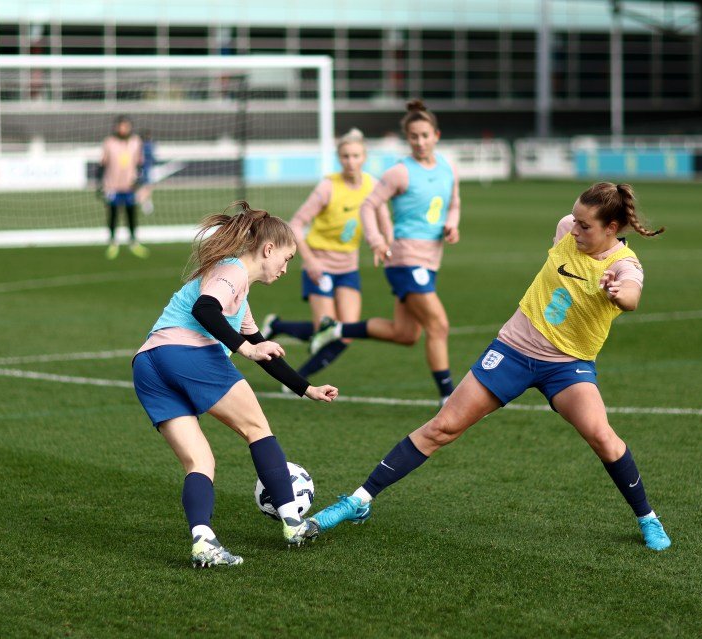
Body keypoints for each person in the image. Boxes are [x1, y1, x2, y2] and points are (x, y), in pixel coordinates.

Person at [307, 183, 673, 552]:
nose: (575, 229)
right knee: (442, 427)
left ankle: (648, 518)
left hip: (567, 365)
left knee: (602, 437)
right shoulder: (566, 228)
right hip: (512, 350)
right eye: (575, 220)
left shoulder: (624, 266)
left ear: (612, 228)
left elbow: (631, 294)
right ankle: (359, 500)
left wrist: (615, 291)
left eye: (585, 226)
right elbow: (570, 231)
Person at [131, 202, 338, 567]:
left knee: (200, 461)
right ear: (267, 249)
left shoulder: (238, 295)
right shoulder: (233, 272)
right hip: (185, 353)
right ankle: (293, 522)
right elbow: (205, 311)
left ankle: (203, 543)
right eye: (286, 259)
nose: (286, 269)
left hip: (148, 363)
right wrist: (244, 349)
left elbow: (263, 349)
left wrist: (307, 388)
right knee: (257, 428)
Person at [309, 100, 461, 405]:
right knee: (438, 325)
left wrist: (452, 226)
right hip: (405, 258)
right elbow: (369, 205)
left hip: (431, 258)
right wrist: (377, 240)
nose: (419, 142)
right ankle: (450, 397)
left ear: (436, 135)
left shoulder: (447, 168)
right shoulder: (400, 172)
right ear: (408, 139)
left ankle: (336, 329)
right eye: (413, 137)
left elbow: (454, 203)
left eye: (425, 135)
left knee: (406, 334)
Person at [259, 128, 391, 382]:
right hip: (320, 265)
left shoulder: (373, 185)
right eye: (345, 156)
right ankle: (299, 379)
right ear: (339, 158)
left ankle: (278, 328)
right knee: (324, 329)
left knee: (346, 332)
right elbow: (296, 224)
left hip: (348, 267)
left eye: (355, 156)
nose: (350, 161)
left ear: (364, 157)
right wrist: (311, 260)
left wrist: (387, 245)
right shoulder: (328, 186)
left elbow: (384, 219)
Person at [98, 115, 149, 259]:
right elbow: (103, 163)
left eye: (126, 126)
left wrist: (140, 180)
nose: (123, 128)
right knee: (113, 214)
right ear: (116, 127)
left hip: (130, 186)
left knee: (131, 214)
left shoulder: (136, 142)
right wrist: (99, 185)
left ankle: (133, 242)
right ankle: (113, 243)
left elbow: (140, 163)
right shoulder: (109, 142)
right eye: (121, 126)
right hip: (112, 186)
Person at [137, 129, 156, 215]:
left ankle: (144, 202)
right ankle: (143, 202)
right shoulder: (147, 146)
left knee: (146, 187)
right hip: (145, 170)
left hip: (145, 169)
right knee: (146, 187)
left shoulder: (141, 145)